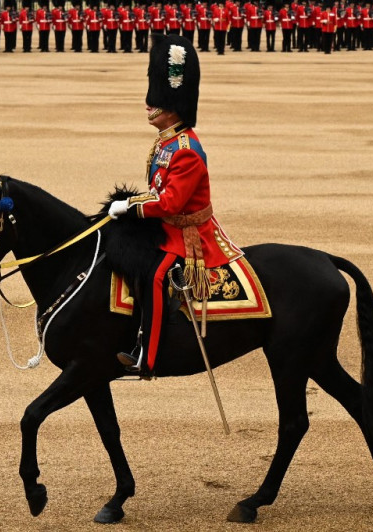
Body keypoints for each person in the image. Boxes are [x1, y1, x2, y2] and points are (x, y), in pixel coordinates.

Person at [108, 35, 242, 374]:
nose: (149, 106)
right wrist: (130, 202)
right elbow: (159, 189)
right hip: (168, 224)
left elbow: (170, 203)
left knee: (154, 275)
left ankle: (147, 356)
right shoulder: (165, 141)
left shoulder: (185, 149)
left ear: (173, 108)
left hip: (187, 233)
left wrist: (132, 208)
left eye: (157, 102)